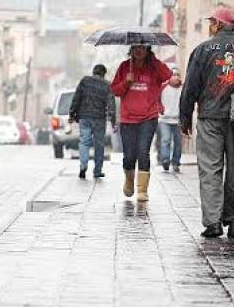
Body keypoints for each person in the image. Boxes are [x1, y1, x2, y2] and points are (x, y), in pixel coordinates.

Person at [179, 7, 234, 239]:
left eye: (211, 22)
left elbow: (190, 87)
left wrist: (184, 117)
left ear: (217, 24)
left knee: (210, 170)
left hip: (210, 117)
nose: (209, 26)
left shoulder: (202, 49)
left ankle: (213, 223)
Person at [111, 45, 172, 201]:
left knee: (143, 152)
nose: (139, 51)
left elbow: (167, 75)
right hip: (128, 119)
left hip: (148, 117)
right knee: (129, 155)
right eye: (136, 48)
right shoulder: (124, 67)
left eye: (143, 48)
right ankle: (129, 180)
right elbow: (115, 91)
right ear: (131, 49)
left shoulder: (154, 67)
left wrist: (154, 60)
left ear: (148, 50)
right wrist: (126, 82)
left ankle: (142, 190)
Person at [70, 64, 116, 179]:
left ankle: (83, 165)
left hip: (84, 116)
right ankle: (97, 170)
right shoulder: (107, 85)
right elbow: (111, 104)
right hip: (99, 118)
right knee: (99, 145)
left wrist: (72, 113)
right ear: (104, 74)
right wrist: (113, 120)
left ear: (93, 72)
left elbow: (76, 97)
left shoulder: (85, 81)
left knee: (84, 142)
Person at [158, 66, 183, 173]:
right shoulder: (163, 87)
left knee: (178, 143)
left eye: (178, 75)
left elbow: (187, 101)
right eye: (173, 75)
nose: (176, 77)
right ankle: (165, 160)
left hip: (179, 120)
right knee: (166, 139)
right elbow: (156, 99)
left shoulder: (183, 88)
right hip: (164, 120)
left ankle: (176, 162)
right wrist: (161, 110)